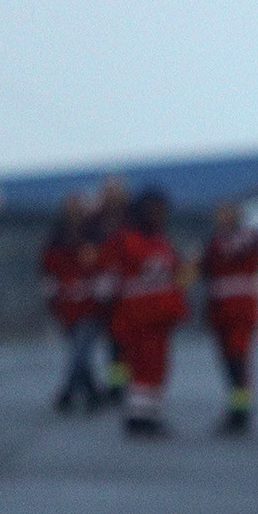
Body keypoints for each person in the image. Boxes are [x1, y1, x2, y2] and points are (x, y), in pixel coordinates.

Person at [105, 188, 189, 438]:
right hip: (138, 316)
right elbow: (117, 274)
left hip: (159, 316)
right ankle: (139, 416)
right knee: (143, 365)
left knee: (156, 366)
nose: (159, 215)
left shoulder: (160, 239)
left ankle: (147, 414)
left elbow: (174, 272)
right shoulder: (127, 239)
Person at [40, 193, 106, 413]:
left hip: (89, 304)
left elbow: (103, 265)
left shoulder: (94, 238)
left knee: (81, 350)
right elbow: (48, 270)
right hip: (67, 305)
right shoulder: (57, 239)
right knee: (79, 352)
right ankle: (93, 392)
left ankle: (68, 393)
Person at [202, 202, 258, 435]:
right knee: (228, 359)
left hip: (239, 309)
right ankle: (236, 407)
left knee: (238, 358)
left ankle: (241, 411)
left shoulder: (245, 237)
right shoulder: (215, 241)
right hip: (220, 310)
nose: (222, 218)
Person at [86, 176, 132, 405]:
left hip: (127, 287)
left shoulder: (131, 219)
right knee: (113, 340)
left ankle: (121, 383)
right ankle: (116, 384)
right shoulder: (95, 221)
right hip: (104, 287)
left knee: (123, 340)